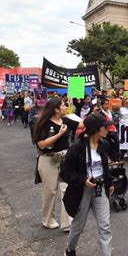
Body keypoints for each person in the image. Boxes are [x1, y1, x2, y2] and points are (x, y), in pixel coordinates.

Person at [60, 113, 125, 256]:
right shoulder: (77, 147)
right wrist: (83, 180)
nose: (108, 129)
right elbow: (65, 172)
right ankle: (70, 250)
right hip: (82, 190)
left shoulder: (104, 144)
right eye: (105, 127)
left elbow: (104, 166)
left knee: (105, 225)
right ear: (96, 129)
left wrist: (109, 183)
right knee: (79, 225)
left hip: (100, 188)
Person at [33, 98, 82, 231]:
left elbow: (82, 125)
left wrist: (93, 114)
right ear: (56, 109)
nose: (65, 107)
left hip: (65, 159)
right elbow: (42, 144)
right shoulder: (42, 123)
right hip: (48, 160)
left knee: (66, 189)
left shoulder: (65, 120)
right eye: (63, 105)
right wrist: (59, 134)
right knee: (50, 192)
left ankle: (68, 222)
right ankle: (48, 220)